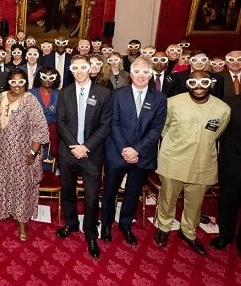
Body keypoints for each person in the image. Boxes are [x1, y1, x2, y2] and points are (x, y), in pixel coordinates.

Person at [155, 71, 231, 255]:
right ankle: (164, 227)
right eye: (194, 82)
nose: (198, 86)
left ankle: (188, 232)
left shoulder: (223, 109)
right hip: (173, 160)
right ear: (188, 84)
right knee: (168, 198)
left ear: (211, 84)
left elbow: (217, 133)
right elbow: (163, 128)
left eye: (203, 81)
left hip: (203, 163)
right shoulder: (172, 103)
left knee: (195, 203)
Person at [100, 57, 167, 245]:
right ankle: (106, 224)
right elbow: (113, 123)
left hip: (142, 155)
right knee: (110, 191)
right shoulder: (117, 94)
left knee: (133, 192)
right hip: (116, 152)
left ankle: (126, 225)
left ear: (151, 74)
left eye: (146, 72)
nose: (141, 76)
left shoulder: (160, 98)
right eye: (137, 72)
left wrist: (136, 150)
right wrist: (124, 149)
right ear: (131, 74)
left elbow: (156, 129)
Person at [55, 55, 112, 260]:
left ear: (91, 69)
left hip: (92, 154)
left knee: (90, 197)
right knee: (68, 191)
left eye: (83, 67)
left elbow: (106, 125)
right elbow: (60, 121)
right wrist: (75, 147)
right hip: (68, 151)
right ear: (71, 70)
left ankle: (90, 233)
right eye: (75, 68)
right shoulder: (65, 92)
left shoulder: (104, 94)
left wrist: (85, 147)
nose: (79, 71)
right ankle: (71, 224)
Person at [0, 70, 49, 241]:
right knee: (6, 182)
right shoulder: (1, 97)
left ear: (26, 82)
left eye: (21, 82)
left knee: (22, 187)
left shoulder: (30, 100)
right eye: (13, 82)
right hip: (4, 152)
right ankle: (7, 209)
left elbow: (40, 128)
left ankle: (23, 223)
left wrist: (33, 151)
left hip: (23, 154)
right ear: (9, 82)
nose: (17, 85)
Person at [210, 93, 241, 254]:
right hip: (232, 162)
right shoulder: (229, 103)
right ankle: (225, 235)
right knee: (228, 201)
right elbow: (218, 130)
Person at [30, 68, 61, 162]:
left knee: (56, 150)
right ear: (40, 78)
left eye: (51, 78)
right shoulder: (30, 93)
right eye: (44, 77)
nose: (47, 80)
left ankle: (56, 169)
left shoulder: (59, 94)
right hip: (34, 127)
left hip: (53, 126)